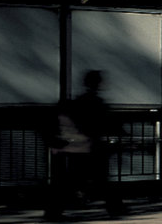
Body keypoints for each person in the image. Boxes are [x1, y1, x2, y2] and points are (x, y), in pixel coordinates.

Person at [47, 70, 122, 220]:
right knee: (100, 180)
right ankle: (115, 208)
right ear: (98, 84)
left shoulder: (78, 102)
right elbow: (103, 124)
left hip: (76, 148)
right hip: (90, 147)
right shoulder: (97, 103)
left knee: (74, 180)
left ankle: (54, 211)